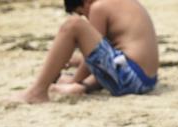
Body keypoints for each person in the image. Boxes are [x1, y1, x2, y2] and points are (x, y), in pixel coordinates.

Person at [16, 0, 159, 103]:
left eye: (81, 12)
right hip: (145, 80)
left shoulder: (98, 6)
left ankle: (37, 92)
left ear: (86, 2)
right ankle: (83, 87)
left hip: (131, 78)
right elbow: (108, 53)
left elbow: (91, 56)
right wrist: (75, 65)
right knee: (81, 62)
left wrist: (74, 80)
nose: (86, 17)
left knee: (73, 24)